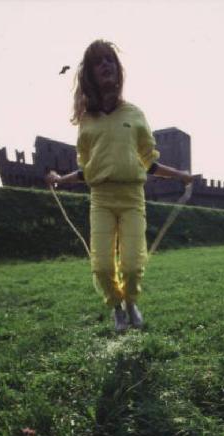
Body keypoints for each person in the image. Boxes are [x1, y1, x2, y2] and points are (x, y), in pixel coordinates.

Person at [46, 39, 193, 333]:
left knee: (131, 266)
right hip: (100, 198)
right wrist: (61, 180)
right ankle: (116, 307)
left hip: (131, 198)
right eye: (98, 61)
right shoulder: (87, 122)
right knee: (101, 267)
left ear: (118, 69)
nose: (105, 65)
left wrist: (181, 176)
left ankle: (130, 302)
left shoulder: (135, 115)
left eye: (109, 60)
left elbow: (149, 162)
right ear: (90, 73)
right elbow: (87, 168)